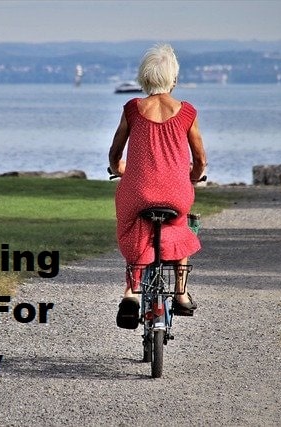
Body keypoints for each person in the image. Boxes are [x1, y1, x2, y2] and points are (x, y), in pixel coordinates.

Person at [108, 43, 207, 329]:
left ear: (144, 77)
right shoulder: (187, 112)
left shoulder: (133, 109)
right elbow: (199, 158)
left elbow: (115, 155)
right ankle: (181, 292)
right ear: (173, 78)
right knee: (180, 225)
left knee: (134, 224)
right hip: (176, 193)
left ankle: (131, 292)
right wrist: (194, 176)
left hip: (138, 191)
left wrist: (121, 170)